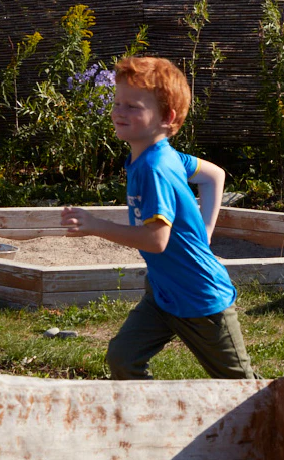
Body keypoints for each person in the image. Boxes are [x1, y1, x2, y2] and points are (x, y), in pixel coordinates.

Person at [61, 55, 255, 380]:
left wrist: (97, 225)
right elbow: (214, 175)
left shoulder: (155, 168)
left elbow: (156, 240)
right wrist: (205, 232)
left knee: (241, 387)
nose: (119, 111)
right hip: (163, 293)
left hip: (200, 297)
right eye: (117, 102)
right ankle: (153, 421)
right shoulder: (162, 156)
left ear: (167, 117)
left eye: (133, 106)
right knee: (123, 359)